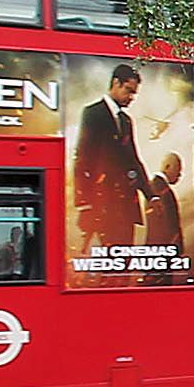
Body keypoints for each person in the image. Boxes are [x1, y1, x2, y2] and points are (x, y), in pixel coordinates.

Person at [71, 61, 150, 263]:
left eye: (134, 93)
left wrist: (151, 195)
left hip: (125, 205)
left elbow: (133, 160)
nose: (131, 97)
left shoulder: (126, 121)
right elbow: (83, 158)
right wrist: (84, 203)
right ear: (116, 83)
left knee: (123, 261)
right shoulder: (93, 113)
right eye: (129, 91)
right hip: (103, 203)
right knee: (108, 262)